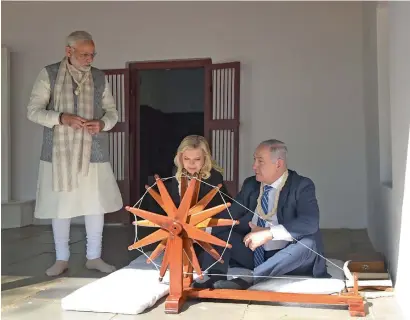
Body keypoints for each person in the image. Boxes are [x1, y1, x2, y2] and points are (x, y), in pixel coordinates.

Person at [27, 31, 123, 276]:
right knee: (62, 205)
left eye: (92, 54)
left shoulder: (99, 77)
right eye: (84, 54)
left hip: (94, 151)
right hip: (58, 154)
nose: (89, 59)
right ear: (68, 51)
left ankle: (94, 257)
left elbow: (112, 113)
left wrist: (102, 124)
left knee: (95, 205)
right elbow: (33, 111)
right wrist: (61, 118)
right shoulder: (48, 73)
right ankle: (61, 259)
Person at [193, 139, 328, 290]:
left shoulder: (301, 185)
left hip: (287, 258)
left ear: (278, 163)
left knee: (309, 244)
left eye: (260, 161)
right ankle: (213, 277)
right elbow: (231, 214)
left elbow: (309, 222)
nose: (254, 166)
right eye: (254, 160)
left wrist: (269, 233)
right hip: (253, 253)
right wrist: (202, 228)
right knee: (221, 229)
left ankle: (250, 279)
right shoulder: (251, 184)